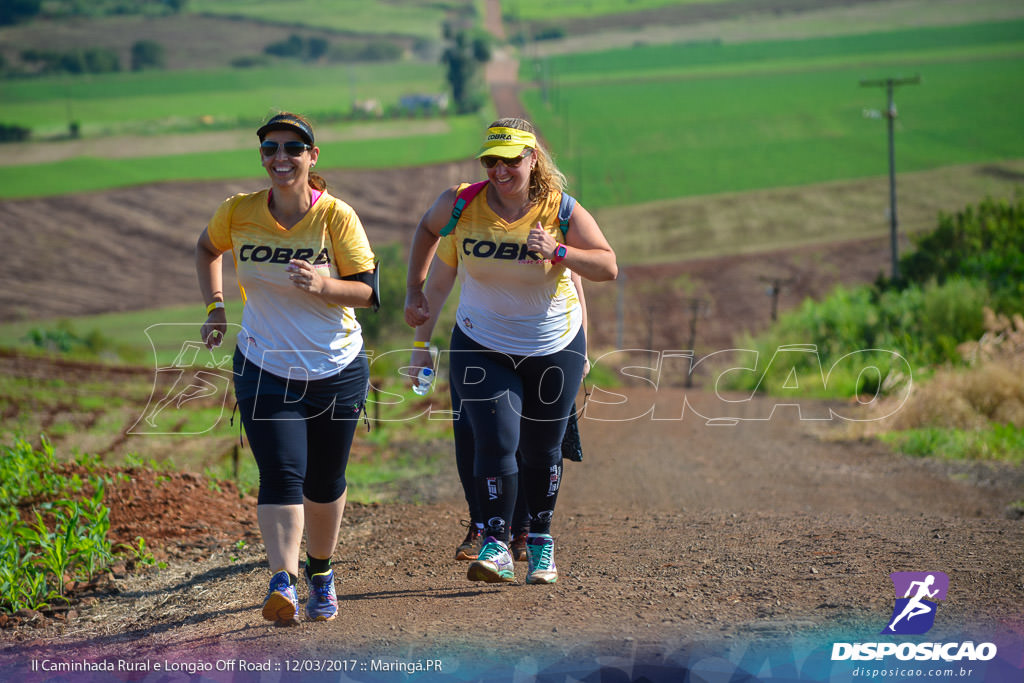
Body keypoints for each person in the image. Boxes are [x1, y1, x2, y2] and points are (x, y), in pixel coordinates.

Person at [405, 117, 616, 584]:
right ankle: (497, 544)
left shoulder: (560, 208)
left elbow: (607, 265)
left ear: (531, 158)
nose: (500, 170)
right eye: (492, 160)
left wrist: (559, 252)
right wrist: (414, 295)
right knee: (496, 442)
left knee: (541, 450)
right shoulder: (461, 203)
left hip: (552, 345)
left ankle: (541, 543)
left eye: (511, 160)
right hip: (481, 342)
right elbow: (426, 232)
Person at [195, 112, 377, 624]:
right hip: (263, 364)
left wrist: (324, 286)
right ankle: (283, 580)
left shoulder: (336, 217)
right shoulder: (238, 212)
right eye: (270, 148)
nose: (281, 157)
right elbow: (208, 247)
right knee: (279, 473)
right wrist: (215, 306)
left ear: (312, 156)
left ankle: (320, 571)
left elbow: (368, 291)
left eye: (293, 149)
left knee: (324, 480)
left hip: (335, 368)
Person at [411, 262, 590, 563]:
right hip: (478, 342)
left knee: (531, 439)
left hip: (545, 345)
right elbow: (439, 279)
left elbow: (575, 280)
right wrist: (421, 342)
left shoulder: (555, 215)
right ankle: (482, 525)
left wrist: (582, 347)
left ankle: (522, 528)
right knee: (476, 435)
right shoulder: (464, 216)